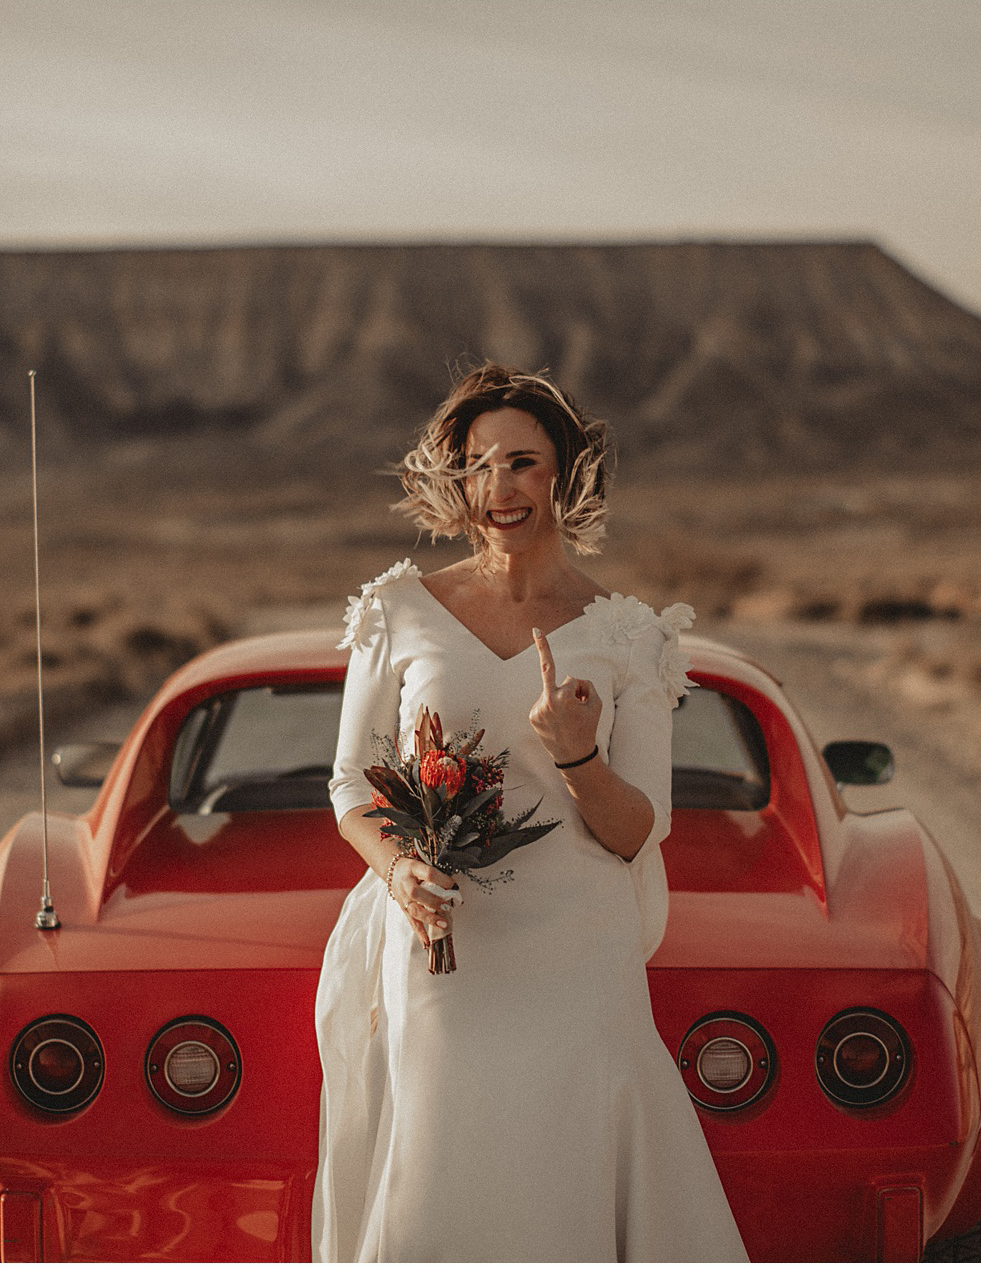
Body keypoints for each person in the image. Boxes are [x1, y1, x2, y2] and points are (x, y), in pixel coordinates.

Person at [312, 363, 748, 1262]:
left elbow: (638, 831)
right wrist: (401, 871)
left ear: (567, 473)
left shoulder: (632, 634)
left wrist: (578, 751)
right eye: (478, 465)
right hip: (443, 947)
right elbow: (352, 785)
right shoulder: (397, 610)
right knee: (437, 1171)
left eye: (523, 463)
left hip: (578, 954)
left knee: (564, 1175)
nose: (498, 488)